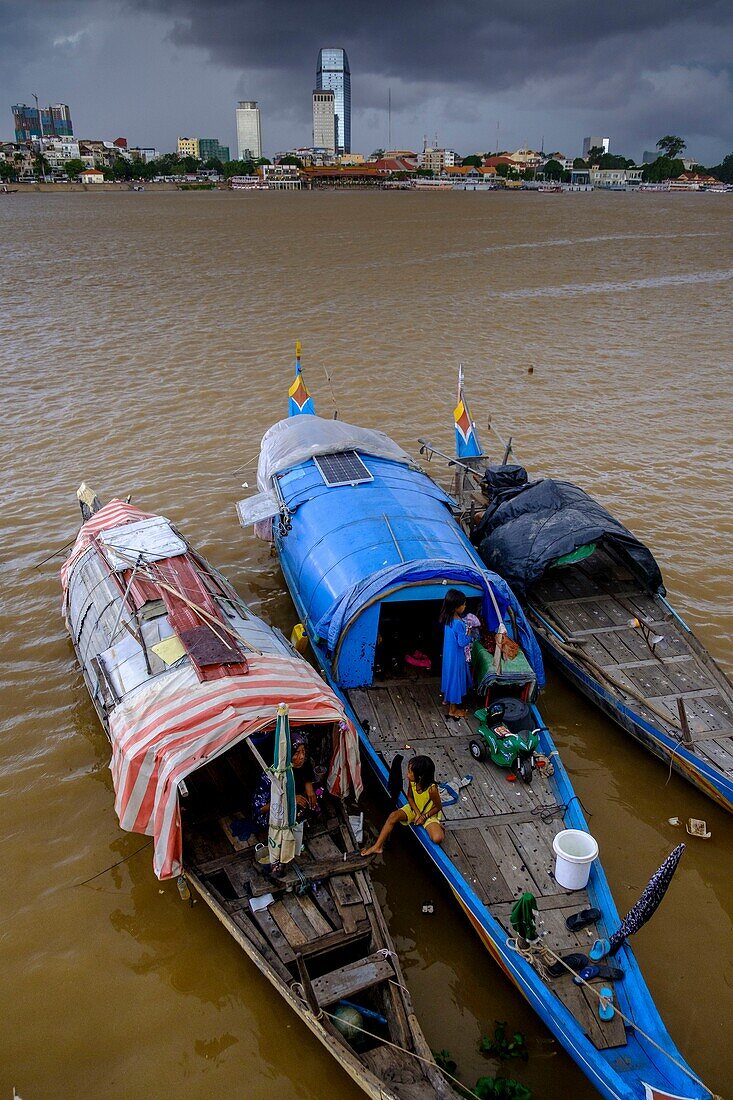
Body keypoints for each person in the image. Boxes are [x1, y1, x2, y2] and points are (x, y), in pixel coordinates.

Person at [361, 755, 444, 855]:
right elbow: (410, 797)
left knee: (437, 838)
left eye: (410, 772)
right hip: (414, 809)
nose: (407, 774)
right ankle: (377, 846)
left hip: (429, 814)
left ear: (420, 776)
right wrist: (417, 813)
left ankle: (440, 827)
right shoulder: (413, 781)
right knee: (393, 816)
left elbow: (438, 807)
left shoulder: (432, 789)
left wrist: (424, 817)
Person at [251, 730, 320, 832]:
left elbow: (307, 774)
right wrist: (289, 800)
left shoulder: (303, 765)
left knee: (318, 794)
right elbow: (260, 809)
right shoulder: (271, 775)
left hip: (292, 800)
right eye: (296, 753)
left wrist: (309, 787)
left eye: (303, 752)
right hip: (274, 810)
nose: (301, 757)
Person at [440, 588, 474, 719]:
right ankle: (453, 710)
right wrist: (469, 634)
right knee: (455, 679)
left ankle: (446, 699)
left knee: (448, 675)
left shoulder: (447, 619)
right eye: (463, 604)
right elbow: (462, 642)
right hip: (456, 656)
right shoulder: (459, 623)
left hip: (448, 654)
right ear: (456, 607)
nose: (465, 606)